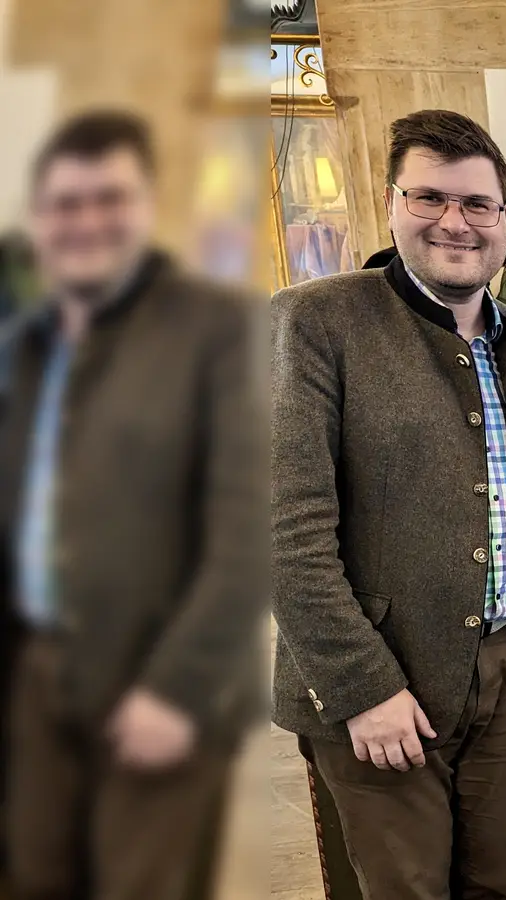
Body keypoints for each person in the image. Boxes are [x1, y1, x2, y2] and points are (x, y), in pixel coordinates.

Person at [271, 109, 506, 900]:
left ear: (505, 217)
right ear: (391, 202)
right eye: (430, 198)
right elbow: (284, 532)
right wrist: (363, 688)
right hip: (384, 669)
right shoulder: (318, 320)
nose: (455, 223)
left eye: (477, 204)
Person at [0, 110, 266, 899]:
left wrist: (179, 689)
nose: (86, 222)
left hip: (158, 675)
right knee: (36, 876)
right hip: (34, 673)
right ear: (39, 219)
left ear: (148, 207)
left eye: (109, 199)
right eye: (66, 204)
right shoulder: (26, 345)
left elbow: (248, 532)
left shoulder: (218, 329)